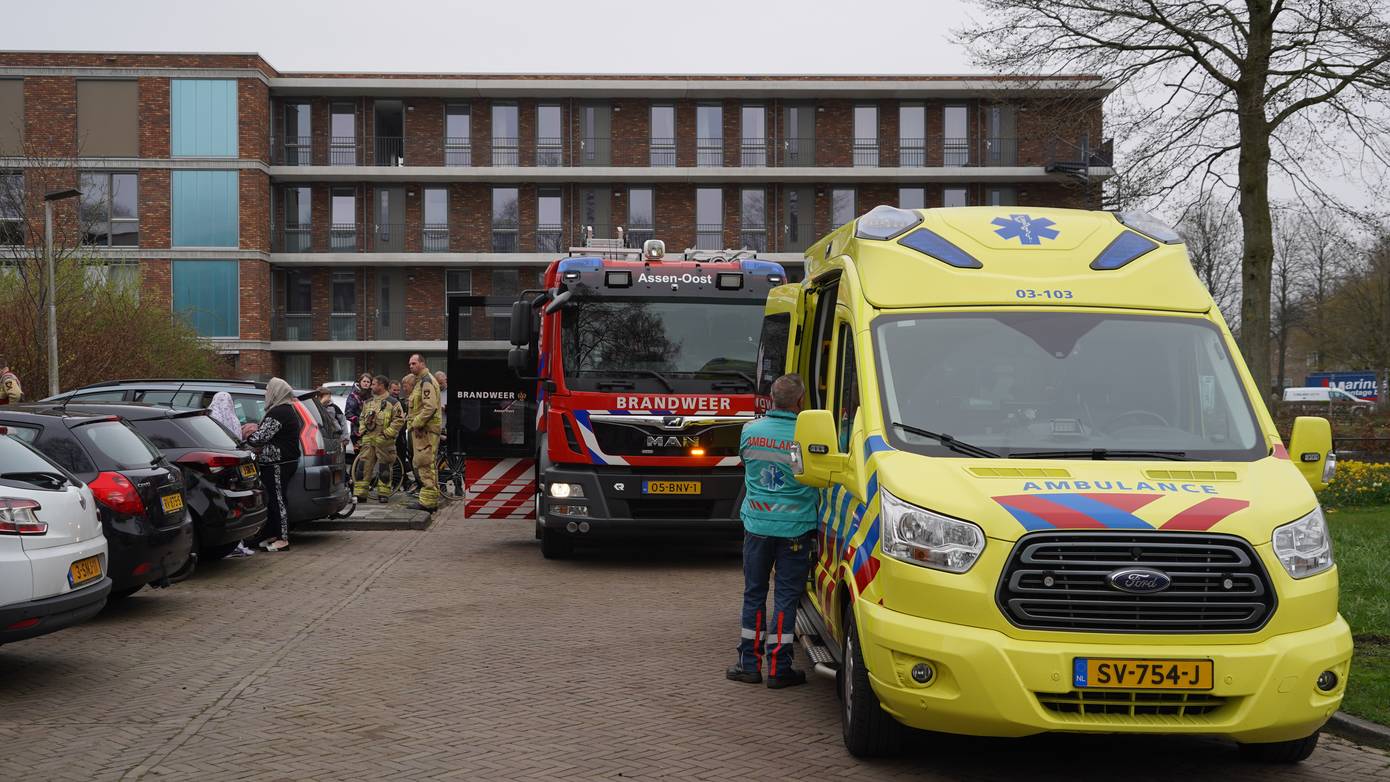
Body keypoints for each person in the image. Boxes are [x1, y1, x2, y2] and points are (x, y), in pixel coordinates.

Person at [727, 374, 820, 689]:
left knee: (754, 593)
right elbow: (809, 474)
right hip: (795, 529)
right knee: (785, 597)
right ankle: (779, 669)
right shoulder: (804, 437)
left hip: (757, 527)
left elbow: (746, 463)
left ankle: (748, 665)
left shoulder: (750, 432)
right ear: (800, 402)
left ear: (769, 400)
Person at [243, 378, 302, 552]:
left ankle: (283, 539)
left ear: (276, 392)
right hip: (281, 461)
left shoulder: (279, 412)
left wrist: (246, 435)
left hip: (278, 462)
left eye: (268, 390)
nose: (265, 393)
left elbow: (260, 438)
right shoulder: (285, 410)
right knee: (273, 499)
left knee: (278, 500)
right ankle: (272, 534)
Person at [353, 375, 403, 503]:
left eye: (374, 384)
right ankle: (360, 493)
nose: (371, 386)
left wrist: (387, 434)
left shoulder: (393, 403)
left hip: (384, 442)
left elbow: (399, 420)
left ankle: (383, 494)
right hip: (368, 441)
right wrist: (363, 431)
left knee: (384, 468)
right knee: (363, 467)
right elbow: (362, 417)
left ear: (381, 386)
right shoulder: (368, 402)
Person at [406, 353, 443, 512]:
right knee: (424, 464)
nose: (411, 366)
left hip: (425, 431)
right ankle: (428, 500)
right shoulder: (421, 381)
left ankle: (428, 503)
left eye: (414, 363)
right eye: (410, 364)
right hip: (423, 431)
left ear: (422, 363)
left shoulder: (426, 381)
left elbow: (430, 407)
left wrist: (417, 423)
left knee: (425, 464)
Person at [345, 372, 372, 445]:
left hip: (371, 431)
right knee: (360, 454)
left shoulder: (372, 395)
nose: (366, 383)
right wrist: (360, 422)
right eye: (364, 381)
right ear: (360, 382)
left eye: (368, 382)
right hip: (357, 431)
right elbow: (348, 414)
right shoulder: (353, 396)